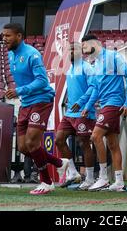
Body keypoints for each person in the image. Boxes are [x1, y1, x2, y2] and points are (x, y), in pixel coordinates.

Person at [2, 23, 68, 195]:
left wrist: (18, 91)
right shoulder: (10, 55)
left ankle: (46, 182)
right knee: (23, 147)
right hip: (26, 102)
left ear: (19, 36)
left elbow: (42, 82)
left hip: (41, 99)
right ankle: (60, 163)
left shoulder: (32, 54)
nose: (4, 39)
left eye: (8, 36)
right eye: (3, 36)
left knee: (32, 143)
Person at [81, 34, 127, 192]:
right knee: (112, 144)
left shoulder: (112, 56)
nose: (83, 50)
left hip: (114, 102)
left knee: (95, 136)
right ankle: (119, 182)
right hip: (104, 104)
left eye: (84, 46)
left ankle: (103, 177)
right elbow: (97, 89)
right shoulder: (96, 63)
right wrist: (88, 105)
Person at [55, 42, 97, 190]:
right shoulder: (70, 69)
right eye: (70, 50)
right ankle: (73, 173)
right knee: (59, 140)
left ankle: (90, 178)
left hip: (84, 111)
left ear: (81, 52)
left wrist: (81, 102)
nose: (71, 52)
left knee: (84, 143)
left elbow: (94, 87)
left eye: (74, 49)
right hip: (70, 112)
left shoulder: (87, 67)